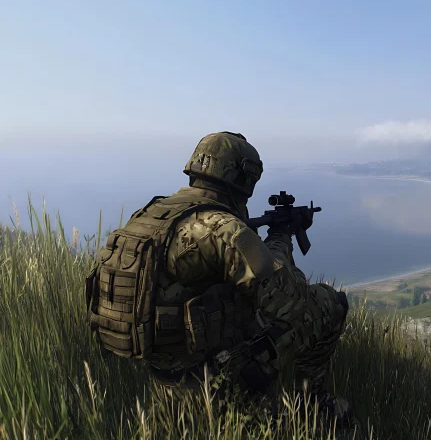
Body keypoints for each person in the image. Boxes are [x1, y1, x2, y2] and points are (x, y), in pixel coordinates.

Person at [85, 131, 353, 426]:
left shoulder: (150, 214)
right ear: (243, 178)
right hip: (215, 380)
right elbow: (291, 300)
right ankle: (312, 404)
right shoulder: (222, 227)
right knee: (330, 303)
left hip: (164, 374)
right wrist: (280, 238)